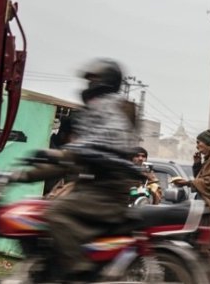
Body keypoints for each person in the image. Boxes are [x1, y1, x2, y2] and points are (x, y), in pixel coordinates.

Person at [41, 58, 140, 282]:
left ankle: (79, 269)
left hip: (106, 191)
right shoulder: (100, 110)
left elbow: (85, 151)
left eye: (93, 80)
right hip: (94, 186)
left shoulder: (112, 112)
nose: (89, 85)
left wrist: (53, 160)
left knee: (56, 213)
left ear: (105, 82)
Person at [174, 129, 210, 283]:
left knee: (208, 251)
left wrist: (187, 183)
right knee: (202, 249)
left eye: (199, 143)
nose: (197, 147)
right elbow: (202, 177)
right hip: (204, 208)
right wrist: (197, 164)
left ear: (206, 143)